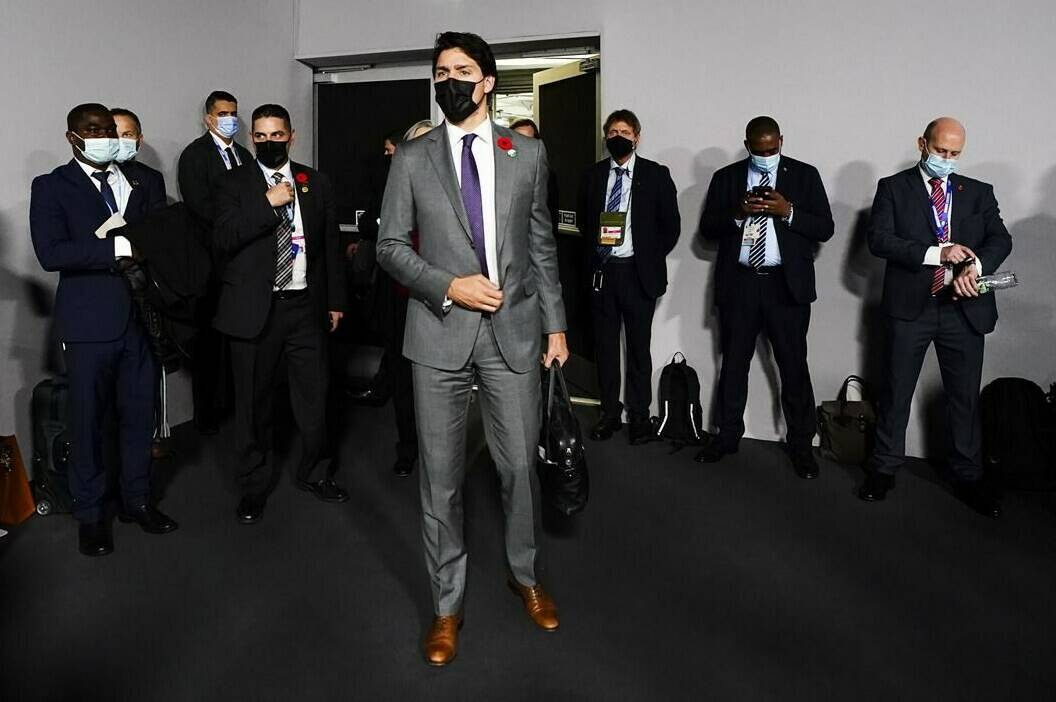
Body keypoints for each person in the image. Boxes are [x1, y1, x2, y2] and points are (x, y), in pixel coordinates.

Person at [377, 31, 568, 667]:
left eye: (462, 70)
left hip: (514, 335)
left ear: (487, 81)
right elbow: (388, 247)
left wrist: (556, 326)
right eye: (440, 71)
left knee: (518, 469)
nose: (449, 79)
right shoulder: (412, 157)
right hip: (437, 335)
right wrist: (447, 285)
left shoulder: (528, 154)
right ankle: (445, 606)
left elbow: (542, 247)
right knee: (441, 481)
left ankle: (525, 573)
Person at [30, 103, 176, 556]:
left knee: (139, 418)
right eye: (93, 129)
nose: (104, 135)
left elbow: (163, 238)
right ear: (73, 136)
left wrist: (143, 247)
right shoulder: (52, 186)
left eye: (109, 129)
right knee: (88, 423)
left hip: (142, 319)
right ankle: (90, 515)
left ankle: (137, 500)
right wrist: (114, 247)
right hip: (90, 323)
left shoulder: (144, 180)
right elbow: (51, 253)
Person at [861, 117, 1012, 517]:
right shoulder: (893, 189)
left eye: (955, 154)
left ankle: (969, 475)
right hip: (911, 308)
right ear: (922, 144)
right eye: (941, 151)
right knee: (896, 391)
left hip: (965, 310)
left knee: (964, 398)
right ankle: (883, 468)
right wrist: (937, 253)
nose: (947, 160)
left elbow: (1001, 238)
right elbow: (879, 239)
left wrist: (974, 265)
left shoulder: (979, 193)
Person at [212, 104, 348, 524]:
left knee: (315, 396)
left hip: (305, 306)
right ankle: (253, 487)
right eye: (260, 136)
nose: (269, 142)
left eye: (277, 135)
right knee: (253, 403)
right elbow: (223, 238)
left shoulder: (315, 182)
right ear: (252, 138)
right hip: (256, 311)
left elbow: (330, 248)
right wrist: (268, 204)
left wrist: (335, 301)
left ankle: (316, 472)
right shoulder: (234, 182)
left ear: (292, 135)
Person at [696, 116, 834, 478]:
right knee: (733, 364)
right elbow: (708, 230)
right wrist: (738, 214)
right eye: (759, 151)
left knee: (793, 366)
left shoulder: (805, 175)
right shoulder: (726, 178)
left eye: (772, 150)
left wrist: (787, 212)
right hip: (740, 284)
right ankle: (727, 436)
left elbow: (825, 228)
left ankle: (802, 444)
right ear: (747, 146)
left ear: (782, 142)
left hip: (785, 287)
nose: (766, 156)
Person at [578, 109, 680, 444]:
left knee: (639, 349)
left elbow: (670, 227)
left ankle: (639, 416)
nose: (617, 137)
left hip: (639, 276)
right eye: (612, 132)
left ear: (637, 136)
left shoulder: (655, 175)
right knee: (606, 349)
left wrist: (647, 256)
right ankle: (610, 413)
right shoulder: (592, 176)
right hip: (604, 275)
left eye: (624, 131)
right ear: (605, 137)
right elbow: (584, 222)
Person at [177, 90, 254, 435]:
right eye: (223, 113)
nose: (229, 119)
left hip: (242, 262)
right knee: (208, 343)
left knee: (239, 339)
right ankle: (207, 419)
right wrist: (236, 224)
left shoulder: (244, 154)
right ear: (208, 117)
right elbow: (199, 205)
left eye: (234, 112)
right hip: (210, 260)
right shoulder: (194, 156)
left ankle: (239, 409)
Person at [112, 107, 172, 460]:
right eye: (114, 133)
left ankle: (153, 435)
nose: (122, 141)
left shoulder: (148, 178)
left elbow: (157, 228)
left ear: (140, 138)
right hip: (100, 285)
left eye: (129, 133)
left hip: (141, 284)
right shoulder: (82, 182)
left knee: (147, 365)